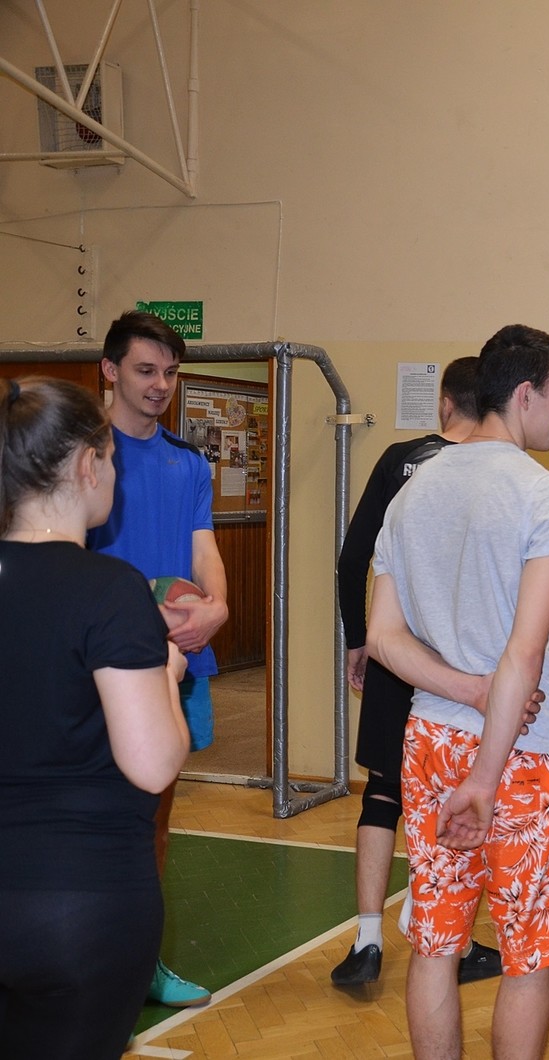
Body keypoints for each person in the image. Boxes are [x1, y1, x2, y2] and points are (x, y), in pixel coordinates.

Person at [367, 325, 549, 1059]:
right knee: (527, 954)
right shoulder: (545, 497)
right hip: (516, 756)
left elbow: (384, 639)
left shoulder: (411, 493)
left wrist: (466, 690)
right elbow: (524, 654)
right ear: (524, 394)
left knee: (436, 943)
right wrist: (486, 779)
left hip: (432, 742)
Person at [0, 377, 190, 1057]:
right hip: (78, 904)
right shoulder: (110, 591)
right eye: (110, 458)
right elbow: (153, 763)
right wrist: (166, 673)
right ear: (88, 464)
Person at [329, 357, 502, 987]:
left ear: (444, 403)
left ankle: (367, 941)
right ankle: (451, 941)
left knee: (383, 792)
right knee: (456, 793)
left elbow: (354, 557)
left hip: (396, 651)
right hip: (465, 666)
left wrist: (360, 639)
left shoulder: (401, 460)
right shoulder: (499, 472)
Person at [86, 309, 229, 1008]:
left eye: (170, 373)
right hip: (94, 664)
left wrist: (219, 606)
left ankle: (141, 961)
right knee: (86, 819)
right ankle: (81, 959)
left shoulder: (188, 462)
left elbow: (204, 549)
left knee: (153, 823)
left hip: (172, 663)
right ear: (110, 370)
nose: (160, 385)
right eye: (145, 371)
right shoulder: (82, 455)